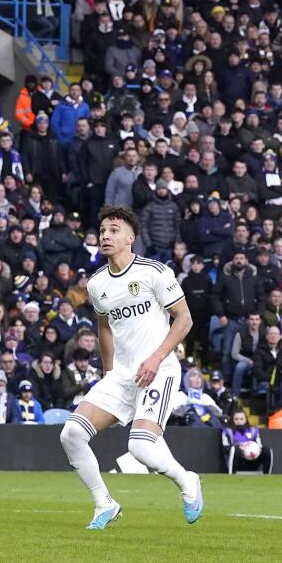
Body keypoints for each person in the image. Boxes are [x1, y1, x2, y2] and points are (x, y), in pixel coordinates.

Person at [59, 206, 203, 530]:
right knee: (71, 434)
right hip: (123, 374)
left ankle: (187, 480)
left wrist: (155, 359)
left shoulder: (154, 272)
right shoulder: (96, 285)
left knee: (139, 446)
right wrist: (109, 372)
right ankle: (104, 503)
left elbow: (185, 319)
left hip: (161, 368)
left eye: (113, 230)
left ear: (130, 238)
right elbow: (104, 328)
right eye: (102, 231)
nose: (105, 236)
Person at [222, 409, 273, 474]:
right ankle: (231, 474)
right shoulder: (228, 432)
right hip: (237, 461)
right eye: (236, 419)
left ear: (245, 420)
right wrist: (239, 447)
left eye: (241, 419)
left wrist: (252, 447)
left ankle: (267, 475)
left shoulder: (253, 431)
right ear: (232, 420)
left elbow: (259, 446)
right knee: (235, 449)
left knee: (267, 450)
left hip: (252, 460)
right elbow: (224, 448)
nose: (239, 421)